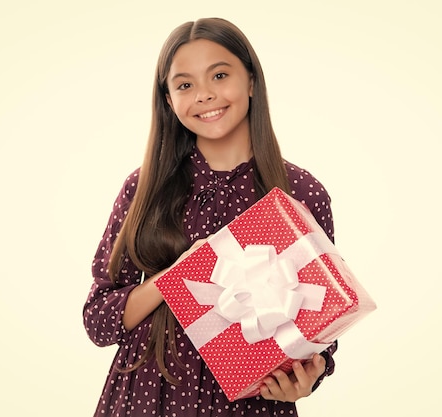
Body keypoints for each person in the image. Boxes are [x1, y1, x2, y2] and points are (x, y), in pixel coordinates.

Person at [83, 17, 338, 416]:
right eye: (185, 84)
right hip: (147, 399)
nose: (204, 95)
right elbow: (99, 320)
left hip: (250, 405)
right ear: (169, 100)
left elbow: (323, 321)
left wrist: (307, 379)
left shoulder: (300, 194)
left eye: (219, 75)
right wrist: (177, 277)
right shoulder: (145, 187)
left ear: (251, 81)